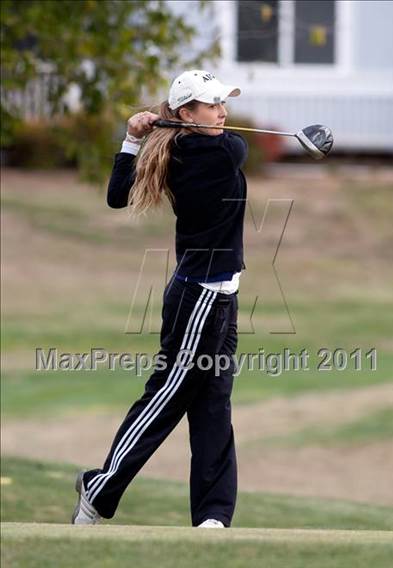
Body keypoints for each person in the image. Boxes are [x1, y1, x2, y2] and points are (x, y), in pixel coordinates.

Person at [72, 69, 248, 529]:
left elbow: (116, 196)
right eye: (212, 105)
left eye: (222, 102)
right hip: (199, 299)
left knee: (214, 404)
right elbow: (237, 147)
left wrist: (132, 141)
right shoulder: (216, 153)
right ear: (186, 113)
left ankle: (212, 516)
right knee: (167, 397)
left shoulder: (186, 147)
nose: (223, 112)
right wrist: (148, 137)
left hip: (219, 295)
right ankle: (100, 486)